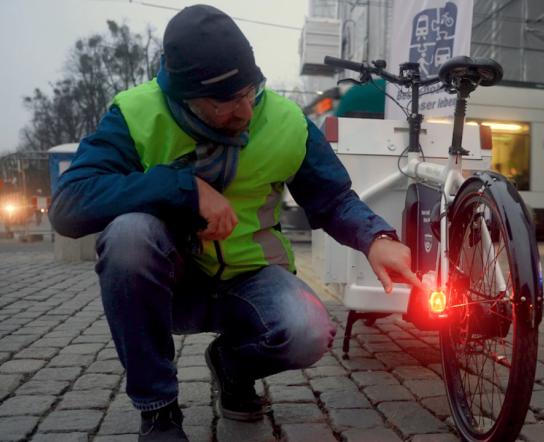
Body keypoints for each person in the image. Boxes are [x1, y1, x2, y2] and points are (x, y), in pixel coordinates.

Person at [48, 5, 422, 442]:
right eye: (224, 102)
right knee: (129, 235)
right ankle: (159, 412)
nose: (244, 110)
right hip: (172, 284)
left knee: (308, 330)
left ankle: (230, 366)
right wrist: (183, 188)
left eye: (250, 90)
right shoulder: (136, 114)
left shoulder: (285, 121)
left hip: (251, 279)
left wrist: (375, 237)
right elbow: (69, 205)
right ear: (183, 95)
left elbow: (332, 197)